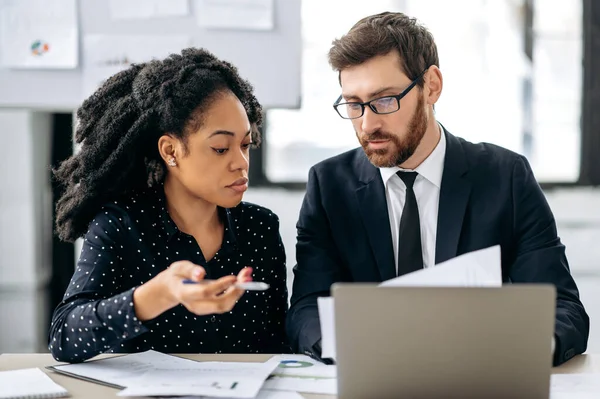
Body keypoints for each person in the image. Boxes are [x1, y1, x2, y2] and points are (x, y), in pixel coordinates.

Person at [286, 11, 589, 366]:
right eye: (353, 104)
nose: (368, 124)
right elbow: (306, 308)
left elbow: (562, 308)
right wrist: (343, 350)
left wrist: (522, 349)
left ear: (431, 86)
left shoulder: (506, 178)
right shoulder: (329, 187)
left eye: (385, 100)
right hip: (370, 376)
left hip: (479, 375)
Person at [49, 48, 289, 363]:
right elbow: (64, 336)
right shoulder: (121, 225)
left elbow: (279, 342)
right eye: (220, 148)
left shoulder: (260, 228)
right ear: (171, 150)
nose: (241, 163)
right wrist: (160, 293)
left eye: (245, 144)